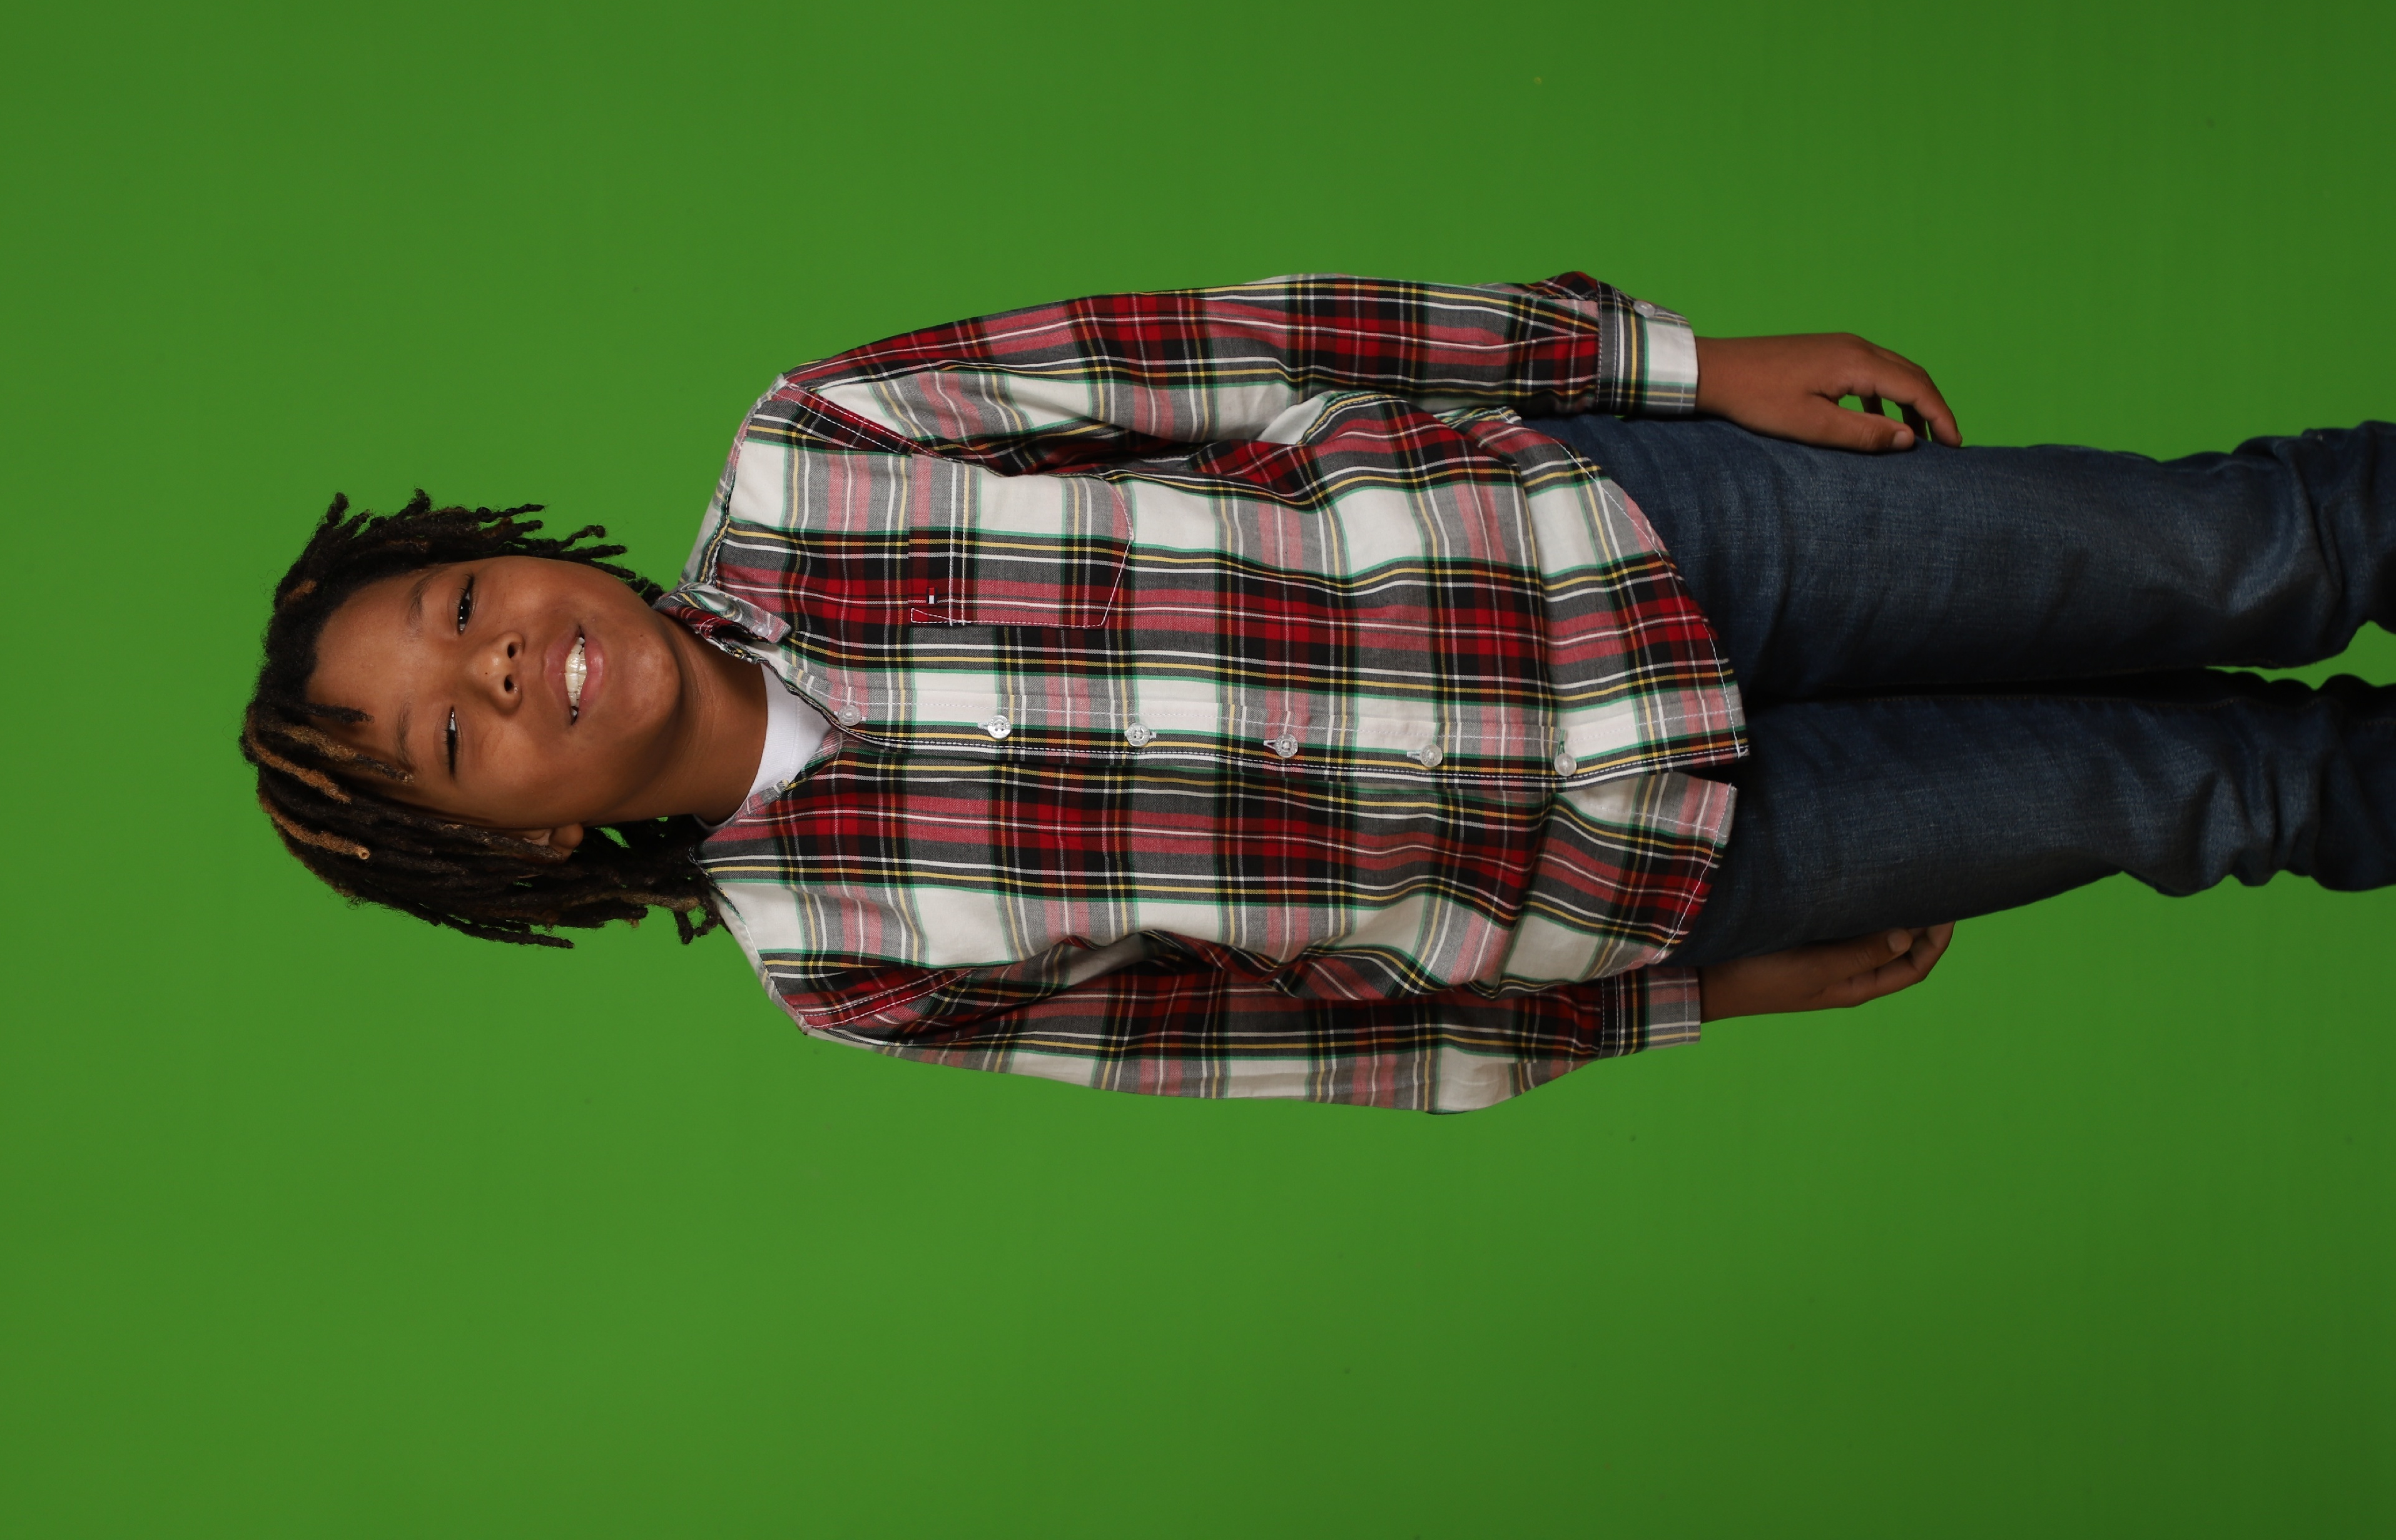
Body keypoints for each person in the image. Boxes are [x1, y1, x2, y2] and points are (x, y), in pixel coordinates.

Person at [241, 273, 2396, 1112]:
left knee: (2244, 552)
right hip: (1659, 878)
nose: (498, 659)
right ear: (525, 838)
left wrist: (1665, 363)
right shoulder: (844, 967)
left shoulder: (823, 442)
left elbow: (1243, 347)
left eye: (459, 604)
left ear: (513, 553)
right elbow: (1271, 1042)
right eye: (456, 733)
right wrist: (1685, 1005)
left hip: (1645, 533)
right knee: (2206, 793)